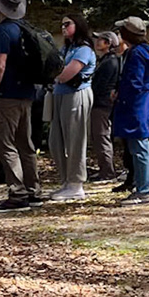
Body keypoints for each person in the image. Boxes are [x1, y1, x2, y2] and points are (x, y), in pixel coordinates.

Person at [0, 0, 41, 209]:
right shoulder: (26, 28)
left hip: (6, 94)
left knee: (5, 145)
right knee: (25, 144)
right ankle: (33, 190)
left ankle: (17, 193)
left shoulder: (3, 31)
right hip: (26, 94)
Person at [47, 14, 96, 200]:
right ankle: (66, 180)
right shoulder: (66, 48)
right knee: (56, 141)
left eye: (67, 24)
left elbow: (65, 74)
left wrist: (55, 75)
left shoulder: (83, 49)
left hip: (76, 95)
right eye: (62, 24)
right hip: (60, 95)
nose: (63, 28)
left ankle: (76, 183)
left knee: (75, 140)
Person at [112, 16, 149, 204]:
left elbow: (134, 81)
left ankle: (144, 189)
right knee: (138, 146)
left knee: (139, 146)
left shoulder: (136, 54)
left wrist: (120, 94)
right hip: (143, 102)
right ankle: (141, 185)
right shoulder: (146, 50)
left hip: (136, 104)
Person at [89, 30, 121, 185]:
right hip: (100, 103)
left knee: (102, 136)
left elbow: (100, 85)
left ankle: (108, 172)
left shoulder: (110, 62)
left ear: (108, 43)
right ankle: (104, 169)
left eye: (100, 40)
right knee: (99, 137)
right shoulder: (105, 60)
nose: (97, 42)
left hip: (102, 104)